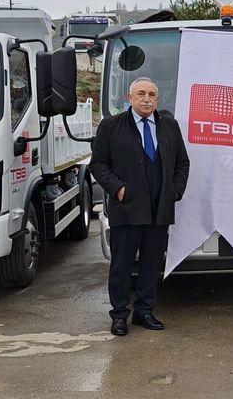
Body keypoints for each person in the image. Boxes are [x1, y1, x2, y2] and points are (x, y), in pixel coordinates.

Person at [89, 77, 190, 337]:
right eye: (141, 94)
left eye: (152, 95)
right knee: (122, 265)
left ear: (157, 99)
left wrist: (175, 191)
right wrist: (118, 188)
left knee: (152, 265)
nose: (147, 99)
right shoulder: (111, 126)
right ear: (130, 98)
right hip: (127, 208)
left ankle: (144, 311)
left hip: (159, 209)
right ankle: (119, 315)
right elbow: (98, 164)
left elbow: (182, 163)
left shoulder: (169, 126)